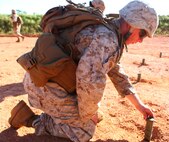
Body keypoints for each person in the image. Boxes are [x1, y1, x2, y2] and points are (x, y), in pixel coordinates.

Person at [8, 0, 159, 141]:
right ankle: (32, 120)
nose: (140, 40)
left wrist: (140, 106)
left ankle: (58, 114)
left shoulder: (106, 30)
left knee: (91, 113)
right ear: (132, 25)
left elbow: (117, 72)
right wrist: (88, 114)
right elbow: (89, 80)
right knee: (85, 130)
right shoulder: (107, 39)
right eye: (143, 34)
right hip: (45, 89)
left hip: (42, 80)